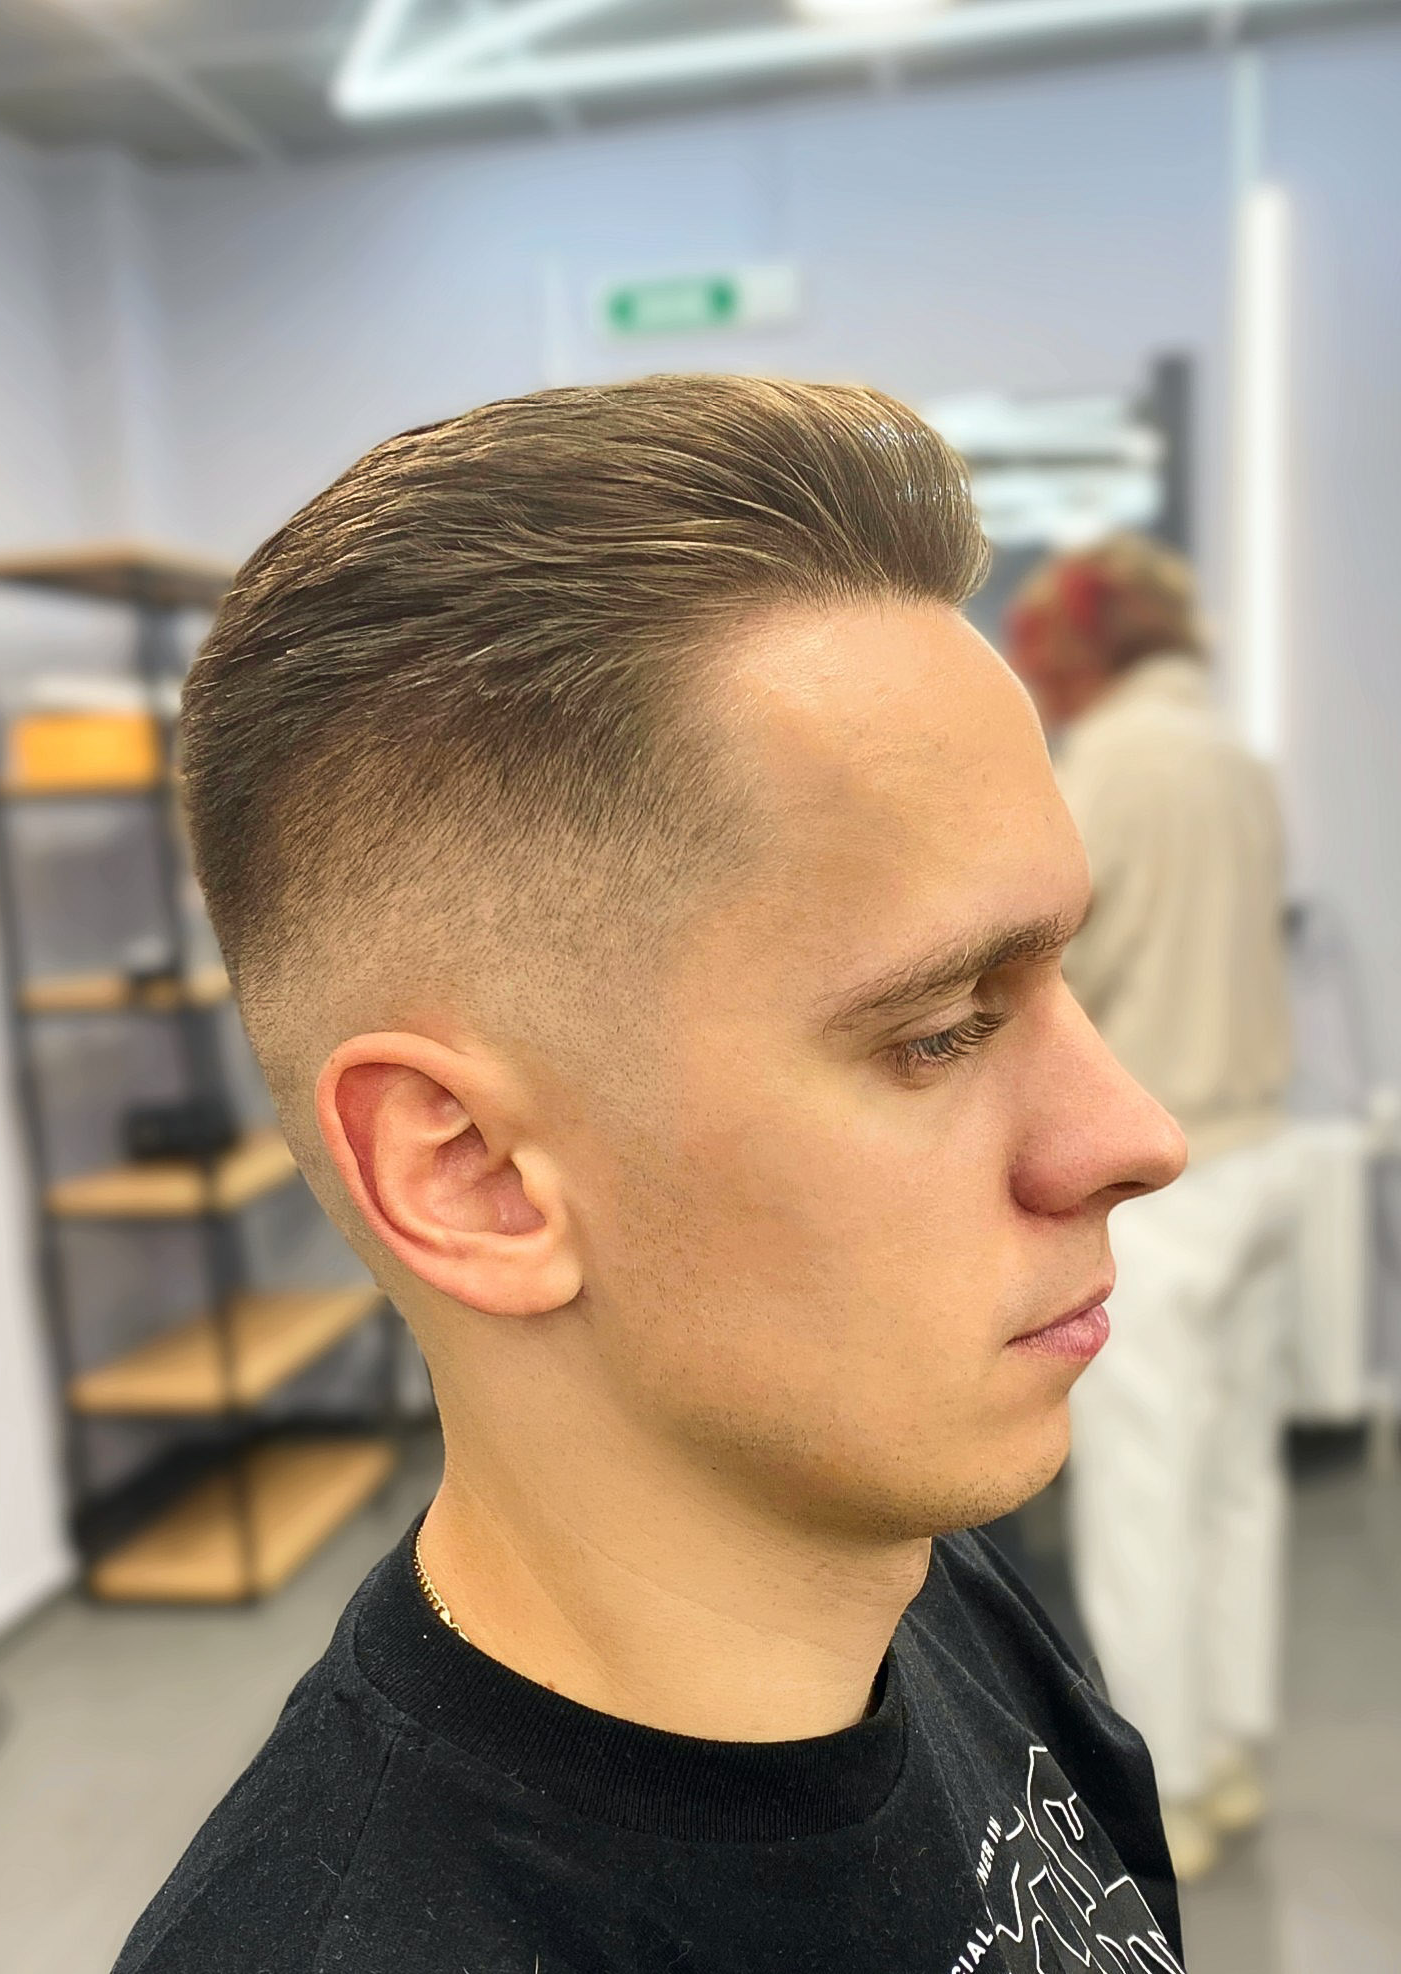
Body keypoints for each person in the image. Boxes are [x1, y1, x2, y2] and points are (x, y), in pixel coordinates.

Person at [113, 378, 1189, 1974]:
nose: (1135, 1135)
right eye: (942, 1031)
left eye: (1058, 977)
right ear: (473, 1174)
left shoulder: (933, 1568)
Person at [1006, 535, 1295, 1884]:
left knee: (1143, 1502)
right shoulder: (1238, 762)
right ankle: (1227, 1748)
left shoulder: (1107, 772)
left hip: (1160, 1198)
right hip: (1266, 1160)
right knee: (1236, 1480)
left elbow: (1046, 974)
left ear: (1081, 648)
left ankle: (1164, 1793)